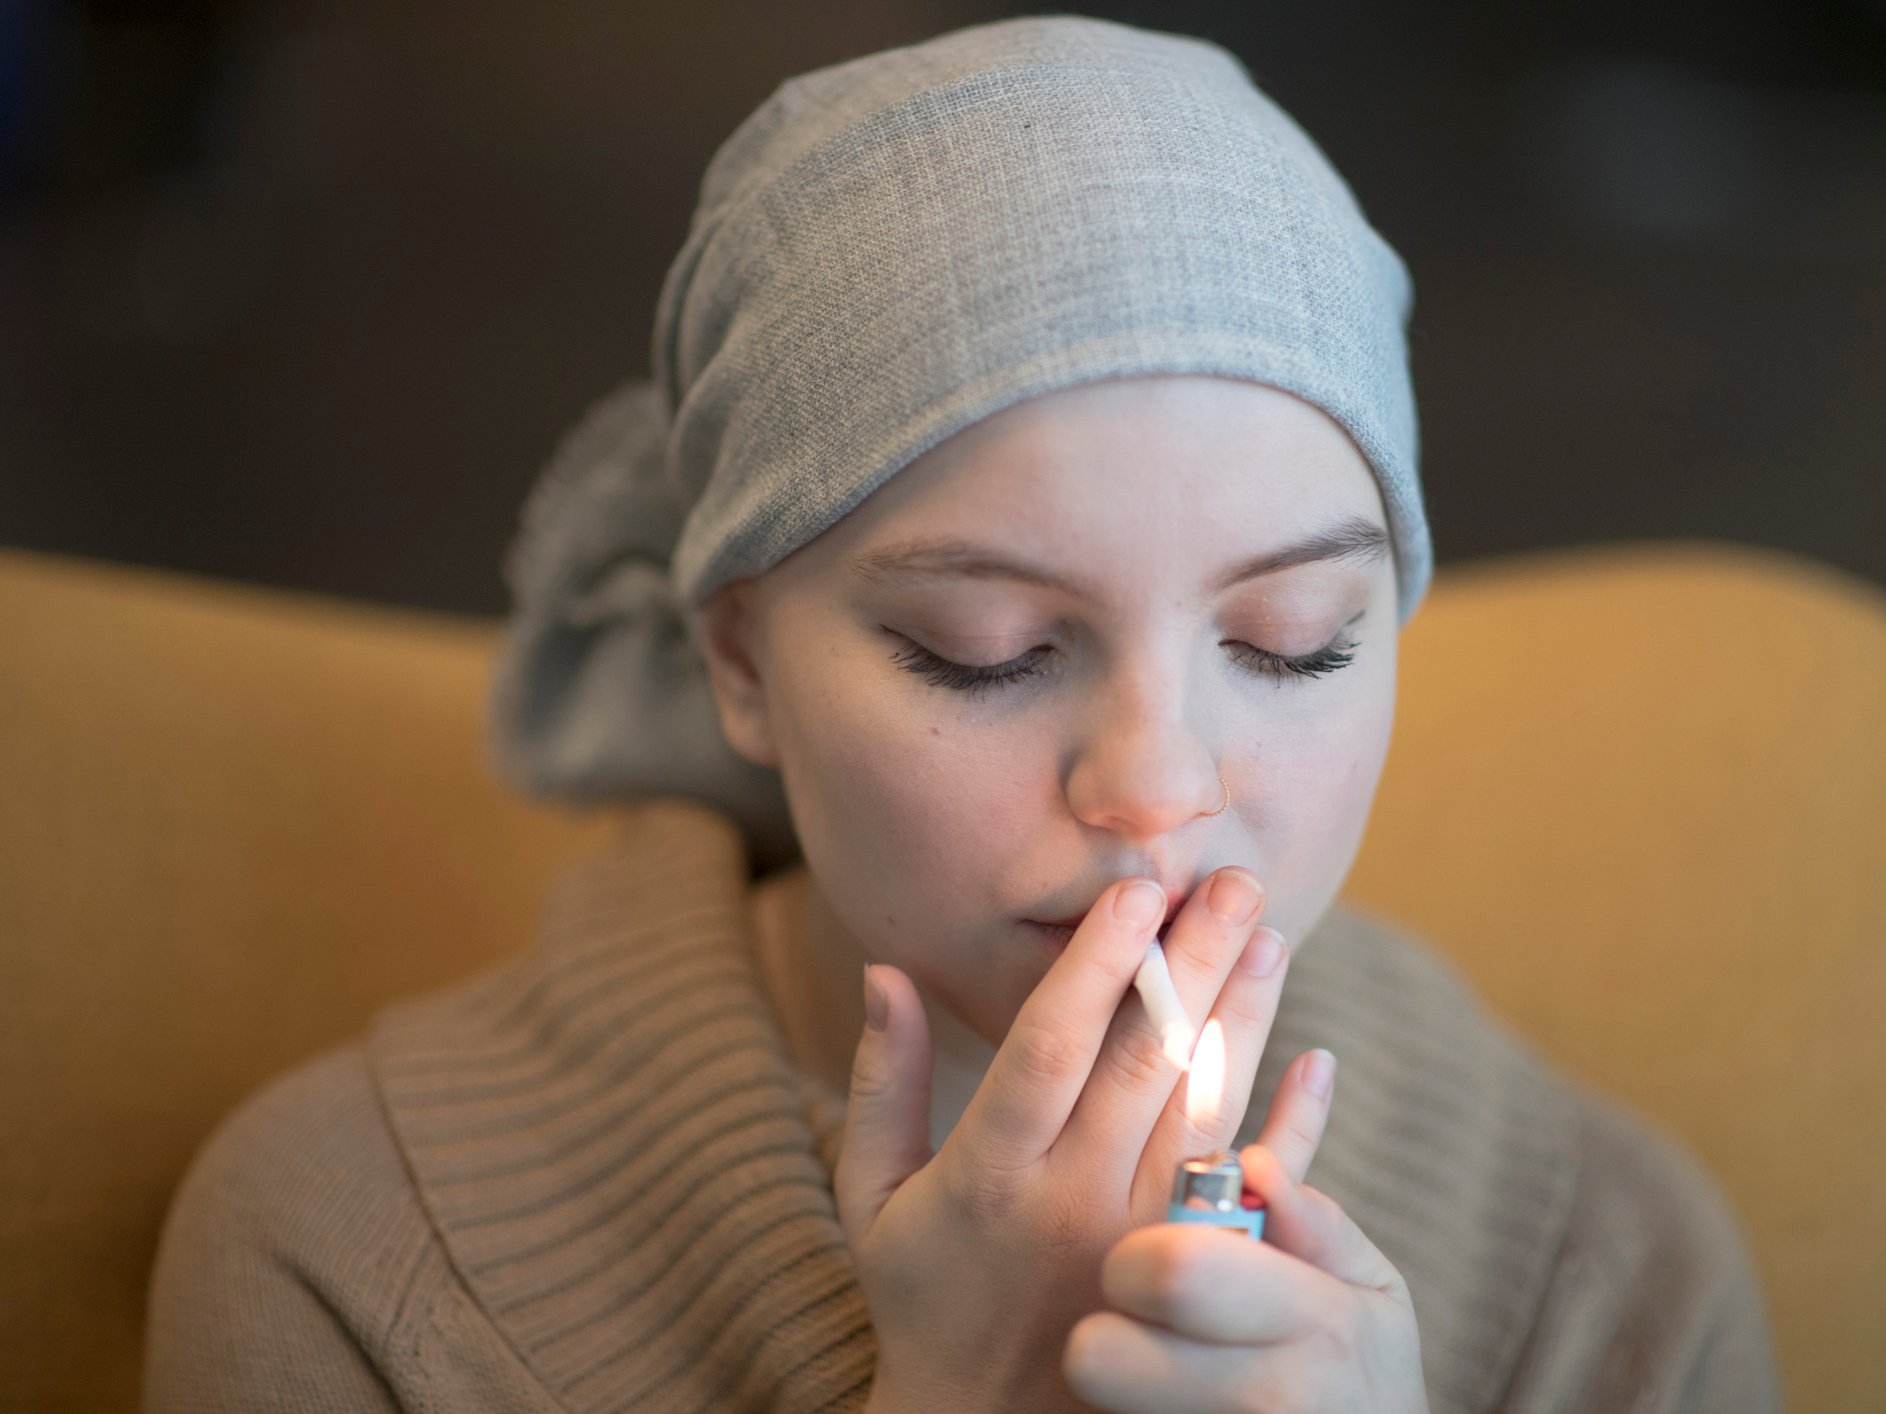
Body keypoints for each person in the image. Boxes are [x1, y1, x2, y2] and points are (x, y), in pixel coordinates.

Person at [143, 14, 1782, 1412]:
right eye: (987, 649)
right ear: (738, 659)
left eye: (1292, 643)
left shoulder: (1609, 1275)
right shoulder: (352, 1261)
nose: (1155, 781)